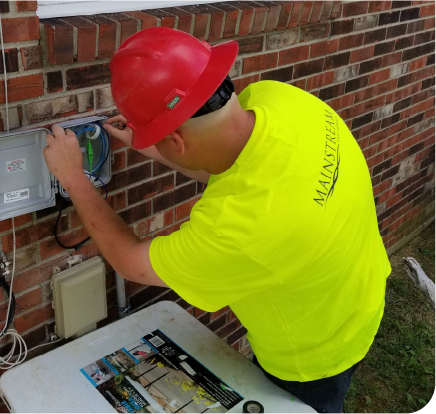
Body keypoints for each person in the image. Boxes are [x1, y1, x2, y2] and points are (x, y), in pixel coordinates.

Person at [43, 27, 391, 414]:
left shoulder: (238, 229)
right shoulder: (281, 100)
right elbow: (232, 167)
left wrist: (73, 176)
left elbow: (129, 261)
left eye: (160, 140)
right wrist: (154, 142)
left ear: (177, 141)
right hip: (359, 294)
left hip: (313, 357)